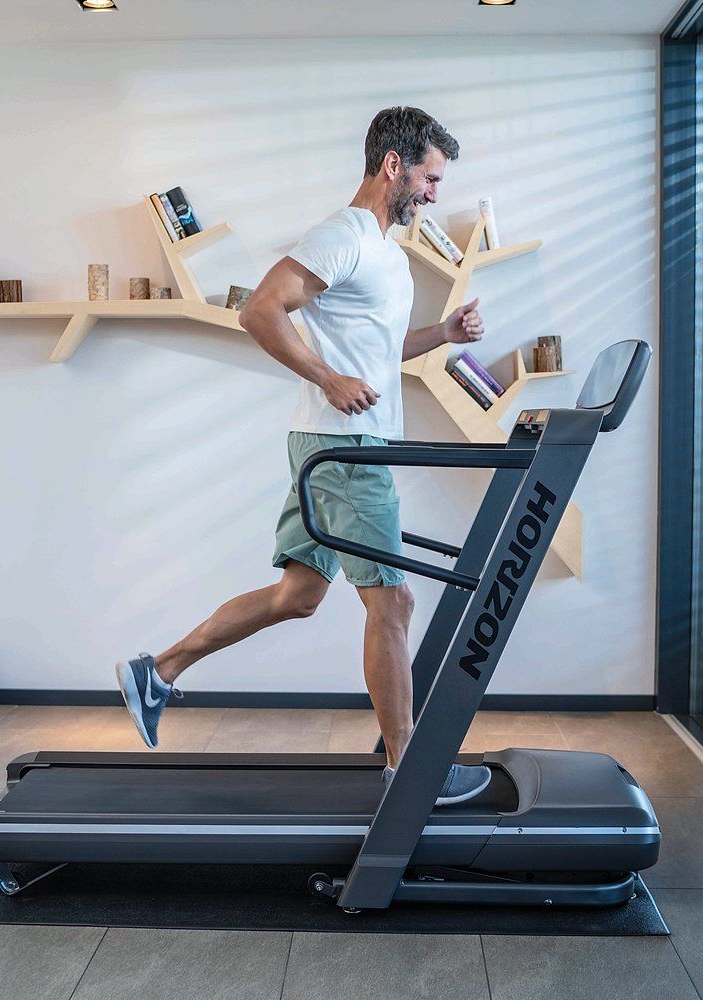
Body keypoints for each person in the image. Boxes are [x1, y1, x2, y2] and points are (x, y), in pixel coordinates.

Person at [117, 106, 491, 805]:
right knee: (394, 602)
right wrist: (327, 378)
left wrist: (441, 333)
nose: (436, 193)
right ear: (394, 165)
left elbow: (377, 352)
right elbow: (259, 309)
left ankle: (158, 672)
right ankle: (407, 773)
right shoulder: (342, 236)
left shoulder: (387, 254)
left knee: (298, 596)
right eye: (431, 178)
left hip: (336, 443)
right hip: (344, 450)